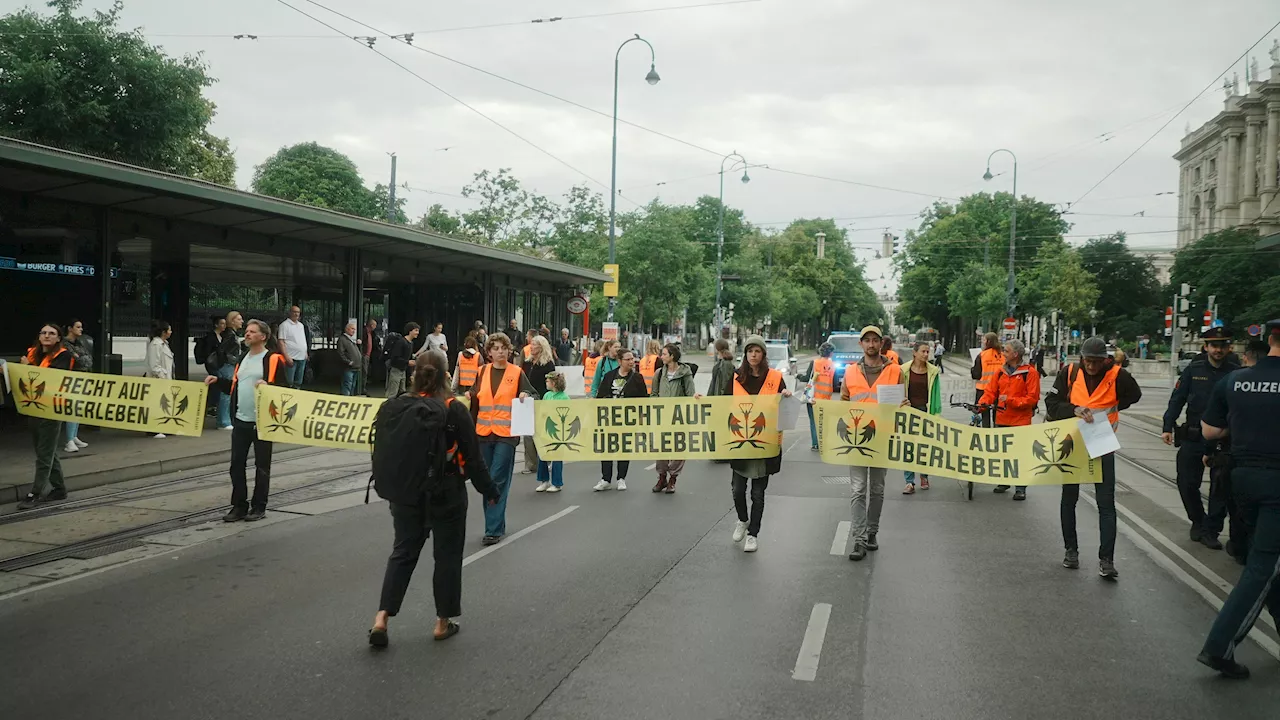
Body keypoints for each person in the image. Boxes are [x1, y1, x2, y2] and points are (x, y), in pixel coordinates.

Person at [368, 350, 500, 648]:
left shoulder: (397, 405)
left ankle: (381, 618)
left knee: (402, 553)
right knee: (448, 558)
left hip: (405, 495)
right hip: (447, 493)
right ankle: (443, 622)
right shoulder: (455, 409)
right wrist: (490, 492)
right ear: (446, 376)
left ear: (415, 376)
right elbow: (474, 461)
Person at [1195, 319, 1280, 680]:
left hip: (1241, 481)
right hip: (1278, 482)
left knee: (1268, 563)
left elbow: (1210, 430)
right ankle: (1219, 646)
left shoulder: (1236, 379)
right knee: (1263, 567)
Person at [1046, 336, 1142, 579]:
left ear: (1105, 361)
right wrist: (1073, 409)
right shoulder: (1070, 372)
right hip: (1073, 440)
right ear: (1081, 358)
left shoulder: (1118, 376)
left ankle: (1106, 560)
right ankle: (1071, 551)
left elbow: (1134, 395)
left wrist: (1115, 406)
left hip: (1101, 439)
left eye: (1096, 362)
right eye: (1087, 361)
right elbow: (1051, 402)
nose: (1091, 366)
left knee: (1106, 503)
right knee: (1069, 499)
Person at [204, 319, 290, 522]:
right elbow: (236, 387)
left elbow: (285, 390)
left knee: (262, 467)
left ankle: (259, 506)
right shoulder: (242, 358)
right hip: (241, 420)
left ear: (263, 336)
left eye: (252, 331)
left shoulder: (273, 359)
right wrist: (218, 382)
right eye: (247, 331)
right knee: (236, 465)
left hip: (262, 422)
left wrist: (268, 385)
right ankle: (239, 506)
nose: (247, 334)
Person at [1161, 327, 1239, 549]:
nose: (1218, 350)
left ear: (1228, 348)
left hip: (1223, 438)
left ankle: (1211, 530)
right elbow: (1178, 398)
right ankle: (1198, 519)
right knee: (1186, 482)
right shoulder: (1193, 369)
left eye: (1223, 346)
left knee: (1220, 487)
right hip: (1194, 435)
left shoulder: (1235, 372)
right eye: (1214, 346)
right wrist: (1168, 425)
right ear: (1206, 347)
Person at [468, 332, 536, 545]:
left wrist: (526, 394)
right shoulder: (481, 372)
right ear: (489, 352)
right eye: (496, 348)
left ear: (509, 351)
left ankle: (493, 529)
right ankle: (496, 523)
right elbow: (474, 398)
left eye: (503, 348)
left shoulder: (516, 372)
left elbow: (532, 392)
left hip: (506, 434)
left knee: (498, 478)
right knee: (487, 480)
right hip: (483, 433)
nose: (500, 352)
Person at [726, 335, 791, 553]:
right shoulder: (735, 378)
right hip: (740, 443)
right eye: (750, 351)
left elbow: (784, 402)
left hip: (765, 443)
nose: (753, 355)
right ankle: (742, 520)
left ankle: (753, 534)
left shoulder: (774, 377)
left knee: (757, 494)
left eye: (757, 351)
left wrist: (787, 396)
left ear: (763, 355)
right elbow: (721, 404)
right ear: (745, 355)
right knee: (737, 489)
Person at [844, 326, 902, 561]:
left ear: (881, 344)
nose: (870, 344)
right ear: (861, 344)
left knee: (877, 489)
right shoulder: (850, 372)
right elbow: (844, 402)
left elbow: (900, 403)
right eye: (866, 340)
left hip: (882, 437)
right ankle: (858, 540)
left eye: (874, 340)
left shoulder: (896, 371)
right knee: (858, 490)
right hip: (857, 439)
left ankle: (871, 533)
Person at [17, 323, 75, 510]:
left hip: (51, 410)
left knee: (44, 453)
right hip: (34, 408)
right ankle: (59, 489)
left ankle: (35, 492)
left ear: (58, 338)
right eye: (43, 332)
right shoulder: (32, 353)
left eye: (52, 333)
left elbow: (53, 377)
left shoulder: (64, 355)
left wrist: (28, 367)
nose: (47, 336)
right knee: (46, 452)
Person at [980, 339, 1039, 501]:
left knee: (1020, 455)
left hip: (1021, 421)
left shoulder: (1030, 373)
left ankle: (1020, 488)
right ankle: (1004, 481)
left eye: (1006, 351)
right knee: (1003, 453)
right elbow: (991, 391)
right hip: (1002, 418)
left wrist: (1010, 400)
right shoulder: (1000, 371)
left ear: (1015, 354)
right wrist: (983, 403)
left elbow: (1032, 398)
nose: (1003, 353)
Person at [594, 348, 647, 491]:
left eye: (632, 359)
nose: (631, 362)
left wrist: (641, 418)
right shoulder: (609, 376)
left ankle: (621, 478)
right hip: (609, 419)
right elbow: (600, 396)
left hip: (628, 419)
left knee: (624, 448)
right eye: (628, 359)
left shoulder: (637, 378)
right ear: (620, 361)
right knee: (607, 448)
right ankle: (606, 478)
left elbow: (643, 399)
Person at [650, 343, 695, 493]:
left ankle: (673, 478)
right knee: (661, 447)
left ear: (672, 356)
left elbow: (690, 394)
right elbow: (654, 394)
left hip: (680, 416)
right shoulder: (659, 373)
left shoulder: (685, 373)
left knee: (679, 447)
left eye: (664, 354)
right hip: (662, 416)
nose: (661, 357)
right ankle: (661, 476)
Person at [900, 342, 942, 494]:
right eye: (923, 351)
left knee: (924, 447)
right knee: (908, 447)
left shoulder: (933, 372)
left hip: (925, 412)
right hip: (909, 413)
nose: (926, 354)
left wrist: (936, 415)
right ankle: (909, 481)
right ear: (914, 353)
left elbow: (936, 395)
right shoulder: (903, 370)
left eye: (928, 352)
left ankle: (924, 475)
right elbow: (899, 390)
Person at [522, 335, 556, 477]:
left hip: (542, 400)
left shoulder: (548, 364)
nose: (532, 346)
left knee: (542, 432)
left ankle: (546, 460)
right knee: (528, 434)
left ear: (542, 347)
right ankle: (531, 464)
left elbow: (552, 384)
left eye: (535, 344)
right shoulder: (527, 363)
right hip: (527, 400)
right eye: (531, 344)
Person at [61, 318, 93, 453]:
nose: (81, 329)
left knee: (78, 408)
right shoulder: (64, 344)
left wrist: (80, 357)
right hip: (71, 378)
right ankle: (69, 440)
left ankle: (74, 436)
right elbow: (78, 359)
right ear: (70, 328)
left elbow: (87, 359)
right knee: (72, 408)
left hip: (81, 377)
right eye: (78, 327)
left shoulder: (80, 342)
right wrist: (80, 357)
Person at [535, 371, 571, 493]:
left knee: (557, 457)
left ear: (554, 383)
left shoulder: (564, 397)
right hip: (546, 428)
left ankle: (557, 483)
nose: (546, 383)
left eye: (548, 381)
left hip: (558, 430)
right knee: (542, 455)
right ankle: (544, 480)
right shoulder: (547, 395)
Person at [799, 342, 836, 451]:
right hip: (826, 398)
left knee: (813, 421)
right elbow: (833, 382)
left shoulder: (814, 363)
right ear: (831, 353)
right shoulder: (832, 365)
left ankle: (816, 444)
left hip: (813, 398)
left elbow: (807, 378)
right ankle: (824, 442)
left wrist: (798, 376)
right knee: (824, 421)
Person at [214, 312, 245, 430]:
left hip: (228, 365)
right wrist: (234, 359)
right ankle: (223, 421)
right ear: (232, 321)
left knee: (226, 392)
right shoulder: (230, 335)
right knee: (226, 392)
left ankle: (224, 419)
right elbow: (223, 351)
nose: (242, 321)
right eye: (239, 319)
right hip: (227, 365)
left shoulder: (231, 334)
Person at [145, 320, 175, 439]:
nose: (171, 332)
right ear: (164, 332)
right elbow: (154, 365)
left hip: (165, 380)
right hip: (158, 380)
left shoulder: (164, 343)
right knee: (156, 404)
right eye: (169, 330)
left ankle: (164, 426)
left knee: (164, 403)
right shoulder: (156, 344)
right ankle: (154, 429)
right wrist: (163, 376)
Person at [278, 305, 311, 389]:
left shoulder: (301, 325)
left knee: (299, 381)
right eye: (294, 312)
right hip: (291, 357)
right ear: (290, 313)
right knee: (289, 381)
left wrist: (305, 353)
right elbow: (281, 341)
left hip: (302, 357)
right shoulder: (284, 325)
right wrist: (286, 356)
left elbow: (302, 339)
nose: (296, 314)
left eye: (298, 312)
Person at [971, 332, 1003, 418]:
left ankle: (986, 429)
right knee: (998, 413)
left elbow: (976, 375)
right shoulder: (1002, 355)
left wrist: (972, 369)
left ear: (988, 342)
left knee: (984, 412)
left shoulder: (982, 355)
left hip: (983, 389)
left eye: (984, 339)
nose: (983, 341)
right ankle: (997, 429)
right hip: (999, 389)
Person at [385, 322, 419, 398]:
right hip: (396, 370)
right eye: (416, 330)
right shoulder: (401, 342)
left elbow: (408, 358)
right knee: (393, 392)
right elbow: (395, 358)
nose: (417, 333)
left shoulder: (411, 343)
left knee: (402, 391)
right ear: (410, 331)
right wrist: (407, 362)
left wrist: (410, 372)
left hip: (403, 370)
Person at [338, 320, 362, 396]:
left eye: (354, 329)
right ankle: (345, 401)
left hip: (355, 367)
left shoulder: (351, 340)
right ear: (347, 329)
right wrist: (348, 362)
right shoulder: (342, 339)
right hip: (349, 367)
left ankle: (349, 400)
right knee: (347, 385)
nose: (354, 331)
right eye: (352, 329)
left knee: (352, 386)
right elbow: (340, 353)